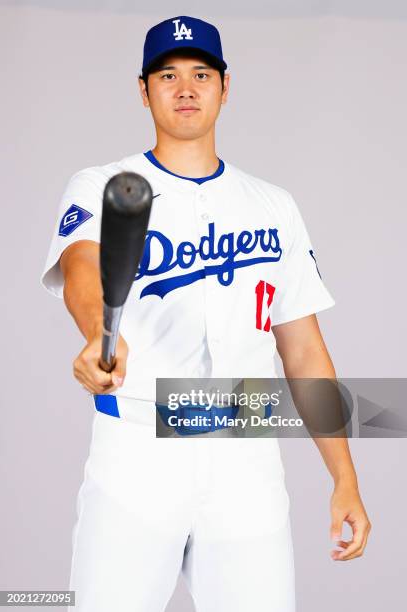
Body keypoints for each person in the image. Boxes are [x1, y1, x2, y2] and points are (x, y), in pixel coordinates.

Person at [40, 15, 371, 612]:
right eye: (167, 75)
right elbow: (83, 269)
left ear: (225, 86)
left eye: (201, 73)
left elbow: (303, 349)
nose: (186, 88)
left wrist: (343, 474)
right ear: (143, 90)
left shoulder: (274, 206)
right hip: (138, 447)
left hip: (247, 459)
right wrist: (96, 334)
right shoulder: (102, 184)